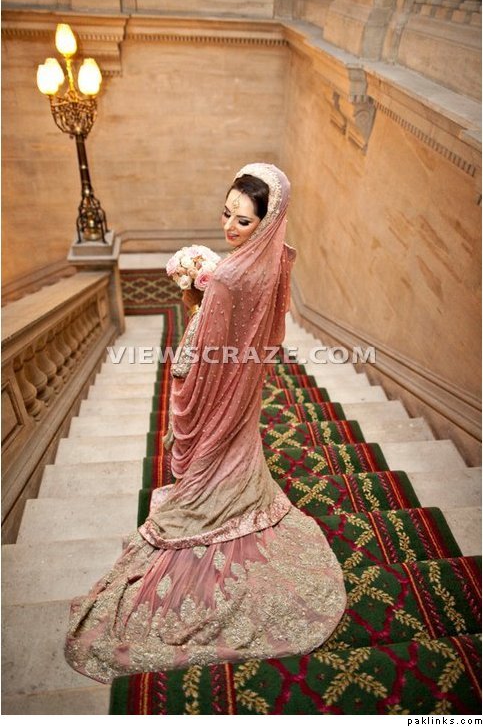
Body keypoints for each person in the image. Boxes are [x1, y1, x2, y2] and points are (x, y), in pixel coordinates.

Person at [65, 163, 347, 684]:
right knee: (235, 450)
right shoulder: (270, 258)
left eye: (243, 221)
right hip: (246, 385)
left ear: (266, 221)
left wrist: (194, 298)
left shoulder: (231, 278)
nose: (229, 227)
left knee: (206, 468)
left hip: (222, 386)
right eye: (226, 213)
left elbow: (198, 354)